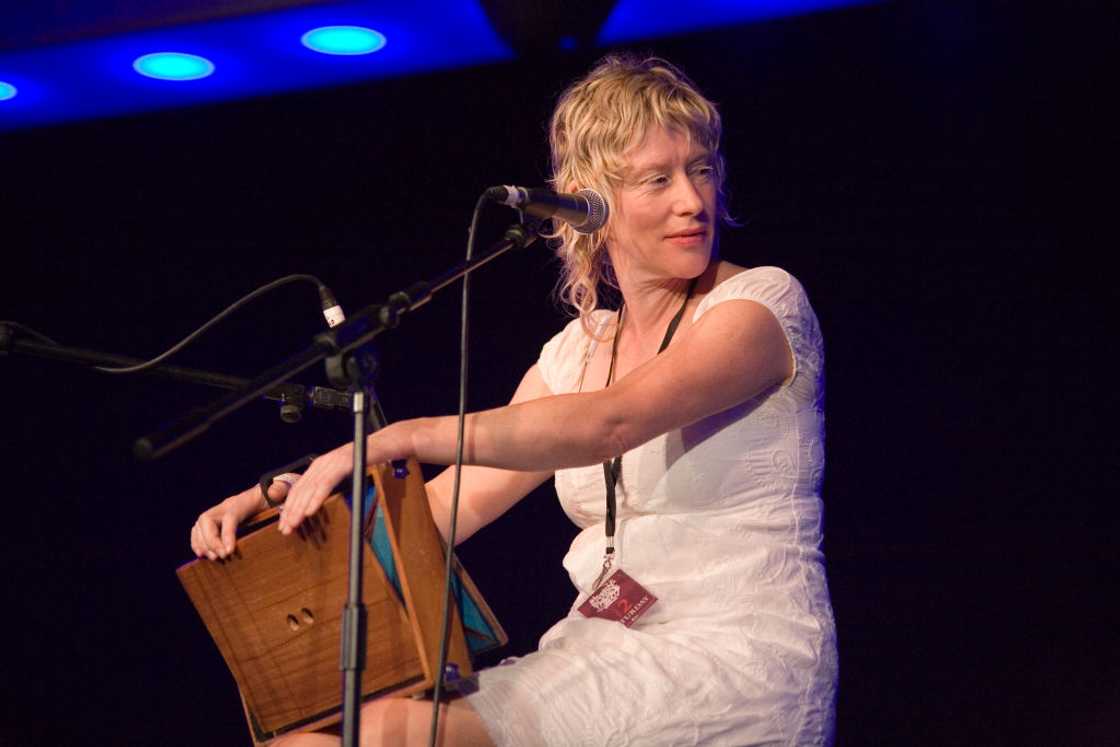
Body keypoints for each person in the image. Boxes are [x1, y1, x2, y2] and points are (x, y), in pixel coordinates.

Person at [191, 54, 837, 746]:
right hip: (598, 651)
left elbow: (610, 421)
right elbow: (437, 512)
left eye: (701, 169)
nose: (692, 200)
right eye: (658, 178)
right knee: (305, 738)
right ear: (590, 202)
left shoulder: (760, 305)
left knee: (389, 734)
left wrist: (396, 437)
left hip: (732, 657)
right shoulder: (576, 352)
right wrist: (292, 505)